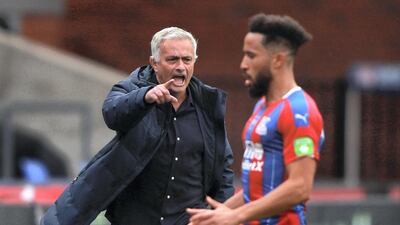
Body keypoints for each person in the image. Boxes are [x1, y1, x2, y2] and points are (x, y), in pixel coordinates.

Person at [41, 27, 234, 225]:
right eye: (172, 59)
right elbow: (112, 113)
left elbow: (223, 165)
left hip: (187, 220)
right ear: (154, 63)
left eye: (187, 59)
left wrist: (223, 213)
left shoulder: (207, 105)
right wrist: (144, 98)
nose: (180, 67)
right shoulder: (133, 89)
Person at [187, 13, 325, 225]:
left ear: (278, 60)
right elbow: (257, 191)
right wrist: (217, 214)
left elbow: (300, 187)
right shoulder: (262, 106)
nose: (243, 64)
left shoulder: (300, 111)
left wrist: (236, 215)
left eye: (251, 56)